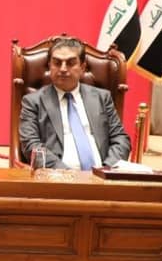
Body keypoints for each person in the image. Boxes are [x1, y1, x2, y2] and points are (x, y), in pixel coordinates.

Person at [18, 37, 131, 170]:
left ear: (82, 67)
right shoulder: (33, 102)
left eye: (70, 63)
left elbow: (120, 139)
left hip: (102, 174)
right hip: (57, 176)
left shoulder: (101, 98)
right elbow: (30, 144)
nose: (63, 69)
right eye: (57, 63)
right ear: (49, 66)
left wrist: (106, 169)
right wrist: (64, 172)